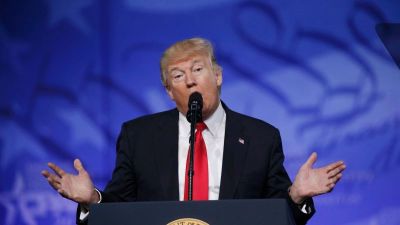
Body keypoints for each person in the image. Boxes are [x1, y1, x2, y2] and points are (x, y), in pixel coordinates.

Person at [42, 37, 346, 225]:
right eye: (178, 75)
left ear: (217, 76)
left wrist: (296, 195)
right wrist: (91, 200)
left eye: (198, 69)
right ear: (168, 91)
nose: (189, 80)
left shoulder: (261, 137)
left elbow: (279, 217)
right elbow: (121, 210)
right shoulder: (139, 136)